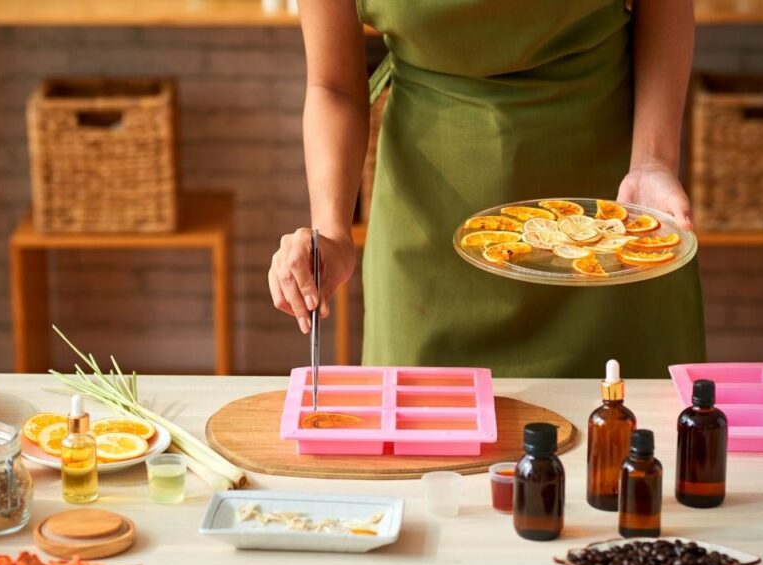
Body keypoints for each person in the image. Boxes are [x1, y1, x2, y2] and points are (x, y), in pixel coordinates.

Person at [268, 0, 705, 378]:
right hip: (428, 233)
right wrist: (332, 228)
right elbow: (334, 85)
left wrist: (652, 161)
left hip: (610, 216)